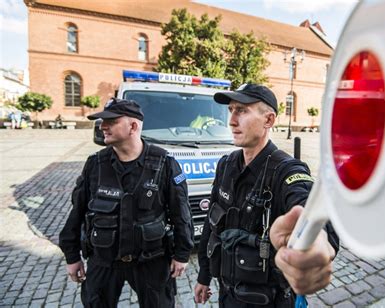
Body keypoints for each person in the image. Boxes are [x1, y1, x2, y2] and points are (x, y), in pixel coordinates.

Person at [194, 84, 339, 307]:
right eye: (231, 110)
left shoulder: (287, 171)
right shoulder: (226, 165)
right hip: (227, 295)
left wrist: (316, 241)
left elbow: (312, 213)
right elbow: (211, 225)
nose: (231, 120)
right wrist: (203, 276)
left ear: (268, 120)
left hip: (269, 301)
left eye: (242, 110)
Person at [59, 98, 194, 307]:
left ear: (133, 126)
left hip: (151, 260)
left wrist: (182, 254)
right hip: (104, 260)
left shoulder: (164, 164)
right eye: (103, 121)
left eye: (111, 121)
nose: (103, 126)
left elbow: (181, 214)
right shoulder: (95, 165)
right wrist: (71, 256)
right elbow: (77, 212)